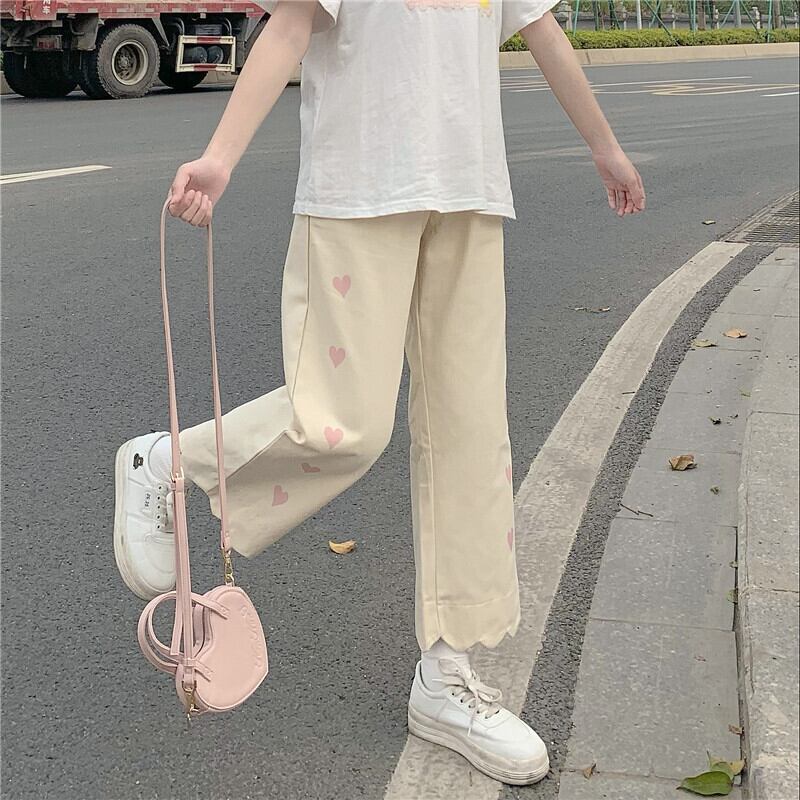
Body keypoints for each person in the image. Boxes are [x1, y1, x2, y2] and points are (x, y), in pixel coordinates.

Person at [113, 0, 645, 786]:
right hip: (355, 193)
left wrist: (606, 148)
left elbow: (542, 28)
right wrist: (220, 159)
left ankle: (448, 675)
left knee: (472, 441)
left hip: (469, 196)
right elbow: (291, 25)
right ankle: (170, 464)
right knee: (341, 426)